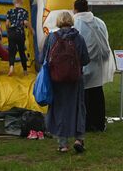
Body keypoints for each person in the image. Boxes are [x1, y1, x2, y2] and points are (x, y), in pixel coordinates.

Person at [42, 11, 90, 153]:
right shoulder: (79, 38)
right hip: (75, 80)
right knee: (78, 107)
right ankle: (79, 138)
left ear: (58, 22)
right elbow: (85, 59)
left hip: (56, 80)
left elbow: (44, 58)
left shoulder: (51, 37)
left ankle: (63, 144)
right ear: (71, 21)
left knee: (60, 109)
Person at [73, 0, 115, 132]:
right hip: (98, 64)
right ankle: (99, 123)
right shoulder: (99, 22)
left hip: (84, 63)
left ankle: (86, 123)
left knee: (84, 96)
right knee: (97, 93)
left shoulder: (76, 23)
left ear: (75, 9)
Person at [5, 0, 34, 76]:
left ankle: (11, 67)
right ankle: (25, 70)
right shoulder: (24, 11)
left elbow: (7, 23)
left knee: (12, 51)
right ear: (21, 1)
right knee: (21, 51)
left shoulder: (10, 11)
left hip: (12, 33)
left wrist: (8, 31)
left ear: (13, 2)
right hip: (20, 33)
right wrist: (31, 29)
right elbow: (25, 22)